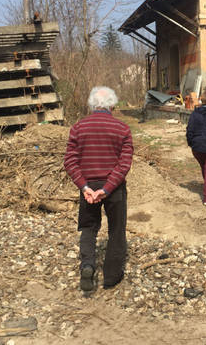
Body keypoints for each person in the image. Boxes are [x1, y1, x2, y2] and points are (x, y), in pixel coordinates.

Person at [64, 86, 133, 292]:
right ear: (112, 105)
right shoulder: (122, 129)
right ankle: (111, 277)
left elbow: (70, 161)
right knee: (116, 230)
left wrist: (84, 186)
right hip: (114, 188)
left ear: (92, 105)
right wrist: (108, 188)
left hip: (88, 185)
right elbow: (124, 163)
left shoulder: (78, 128)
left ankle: (87, 265)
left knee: (88, 227)